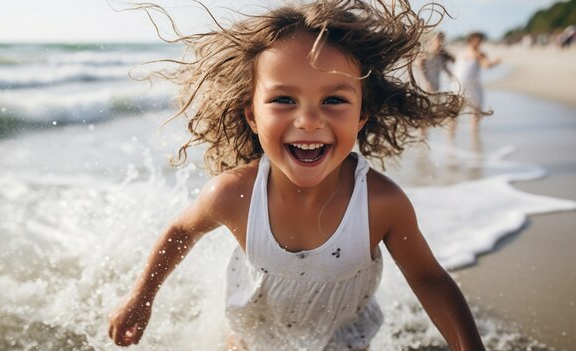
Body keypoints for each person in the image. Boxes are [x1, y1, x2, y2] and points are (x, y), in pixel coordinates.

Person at [108, 1, 485, 350]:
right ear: (252, 116)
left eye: (334, 100)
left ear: (361, 116)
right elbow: (181, 231)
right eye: (284, 99)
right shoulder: (233, 195)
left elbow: (429, 279)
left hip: (345, 338)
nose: (308, 120)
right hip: (251, 334)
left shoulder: (379, 204)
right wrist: (140, 298)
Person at [450, 32, 500, 141]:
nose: (480, 42)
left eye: (481, 40)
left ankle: (471, 136)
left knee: (468, 110)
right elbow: (487, 65)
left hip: (463, 84)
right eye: (479, 40)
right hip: (464, 84)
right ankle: (456, 136)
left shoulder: (465, 52)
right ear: (472, 39)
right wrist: (496, 61)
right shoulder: (476, 53)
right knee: (465, 110)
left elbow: (484, 65)